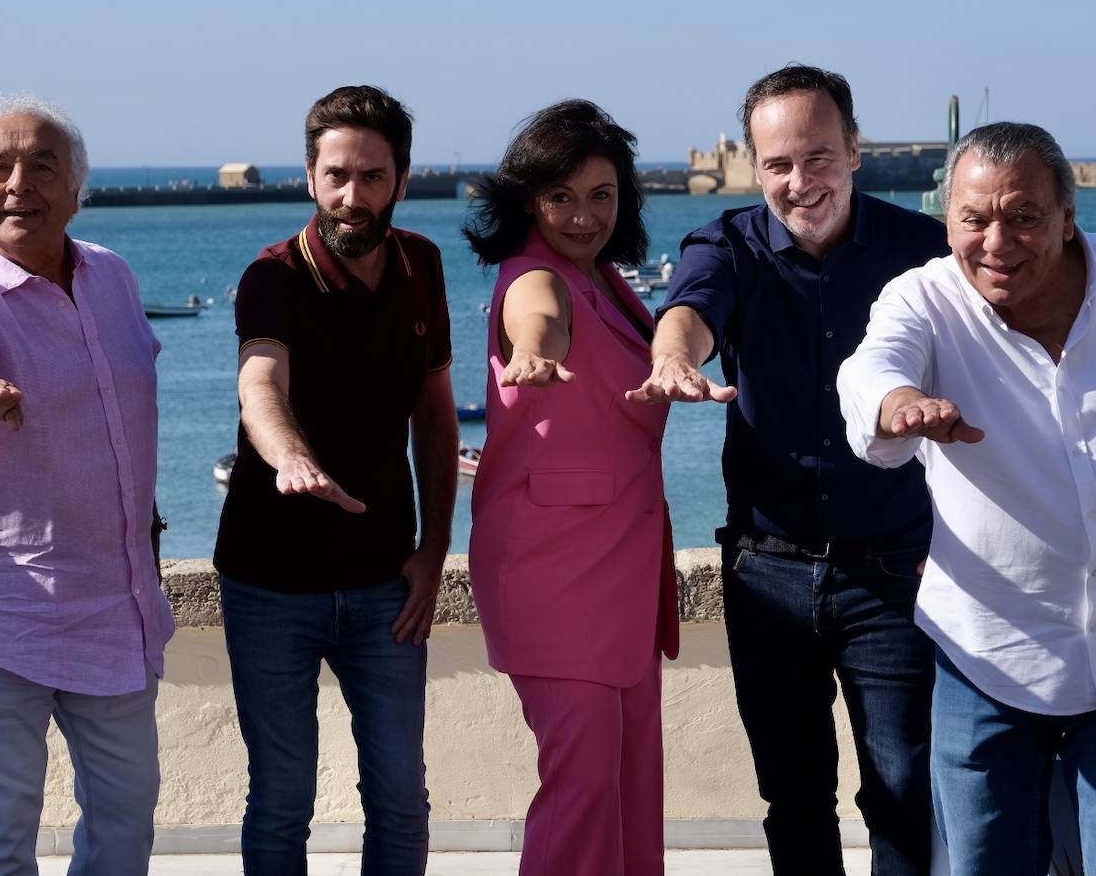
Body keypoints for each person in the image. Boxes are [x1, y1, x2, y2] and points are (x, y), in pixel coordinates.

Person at [837, 122, 1096, 875]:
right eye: (973, 219)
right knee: (984, 865)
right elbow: (871, 371)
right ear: (948, 221)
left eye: (1023, 216)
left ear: (1067, 216)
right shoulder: (922, 299)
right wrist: (900, 402)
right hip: (987, 653)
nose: (996, 242)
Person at [628, 65, 949, 874]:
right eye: (777, 164)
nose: (799, 182)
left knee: (906, 793)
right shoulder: (726, 244)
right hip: (766, 572)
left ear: (855, 150)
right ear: (754, 166)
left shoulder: (924, 250)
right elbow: (690, 311)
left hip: (895, 572)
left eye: (817, 158)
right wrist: (673, 359)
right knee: (794, 797)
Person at [0, 95, 172, 875]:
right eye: (0, 168)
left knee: (125, 829)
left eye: (43, 166)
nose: (20, 183)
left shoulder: (113, 277)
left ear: (75, 191)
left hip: (114, 612)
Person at [213, 85, 457, 876]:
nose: (353, 196)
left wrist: (434, 552)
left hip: (387, 583)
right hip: (269, 585)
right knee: (282, 801)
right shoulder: (273, 278)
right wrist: (290, 457)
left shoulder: (422, 265)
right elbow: (261, 385)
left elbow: (436, 418)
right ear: (310, 177)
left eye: (372, 177)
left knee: (401, 800)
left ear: (402, 180)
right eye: (337, 176)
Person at [465, 99, 680, 876]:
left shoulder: (608, 279)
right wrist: (533, 349)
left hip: (620, 573)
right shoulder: (534, 275)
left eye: (602, 195)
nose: (584, 215)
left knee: (631, 788)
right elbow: (540, 316)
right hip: (551, 575)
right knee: (584, 788)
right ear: (529, 200)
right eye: (561, 196)